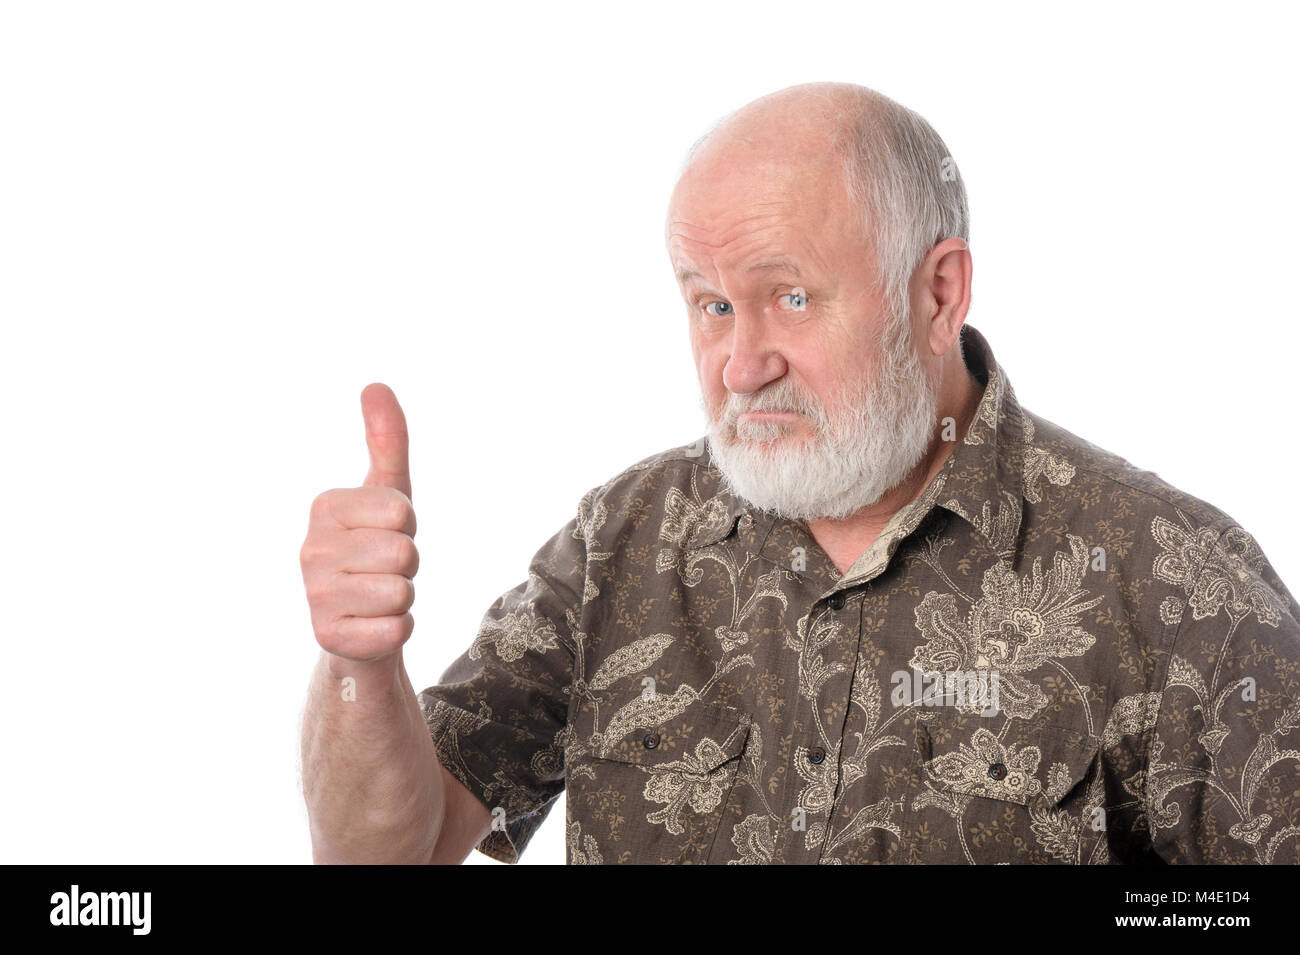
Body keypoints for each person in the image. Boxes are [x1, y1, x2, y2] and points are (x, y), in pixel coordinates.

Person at [298, 81, 1300, 864]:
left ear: (937, 291)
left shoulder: (1174, 583)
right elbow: (385, 850)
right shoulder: (622, 544)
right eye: (711, 305)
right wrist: (358, 667)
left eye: (788, 296)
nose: (741, 365)